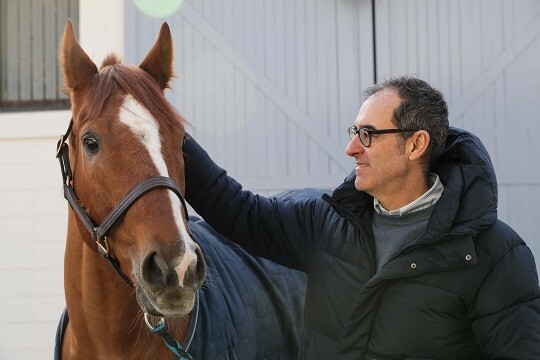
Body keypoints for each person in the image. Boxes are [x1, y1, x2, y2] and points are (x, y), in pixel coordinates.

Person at [182, 76, 540, 359]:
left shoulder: (496, 256)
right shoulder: (325, 223)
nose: (351, 148)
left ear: (416, 145)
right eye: (354, 132)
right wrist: (156, 128)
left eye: (367, 134)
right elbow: (240, 212)